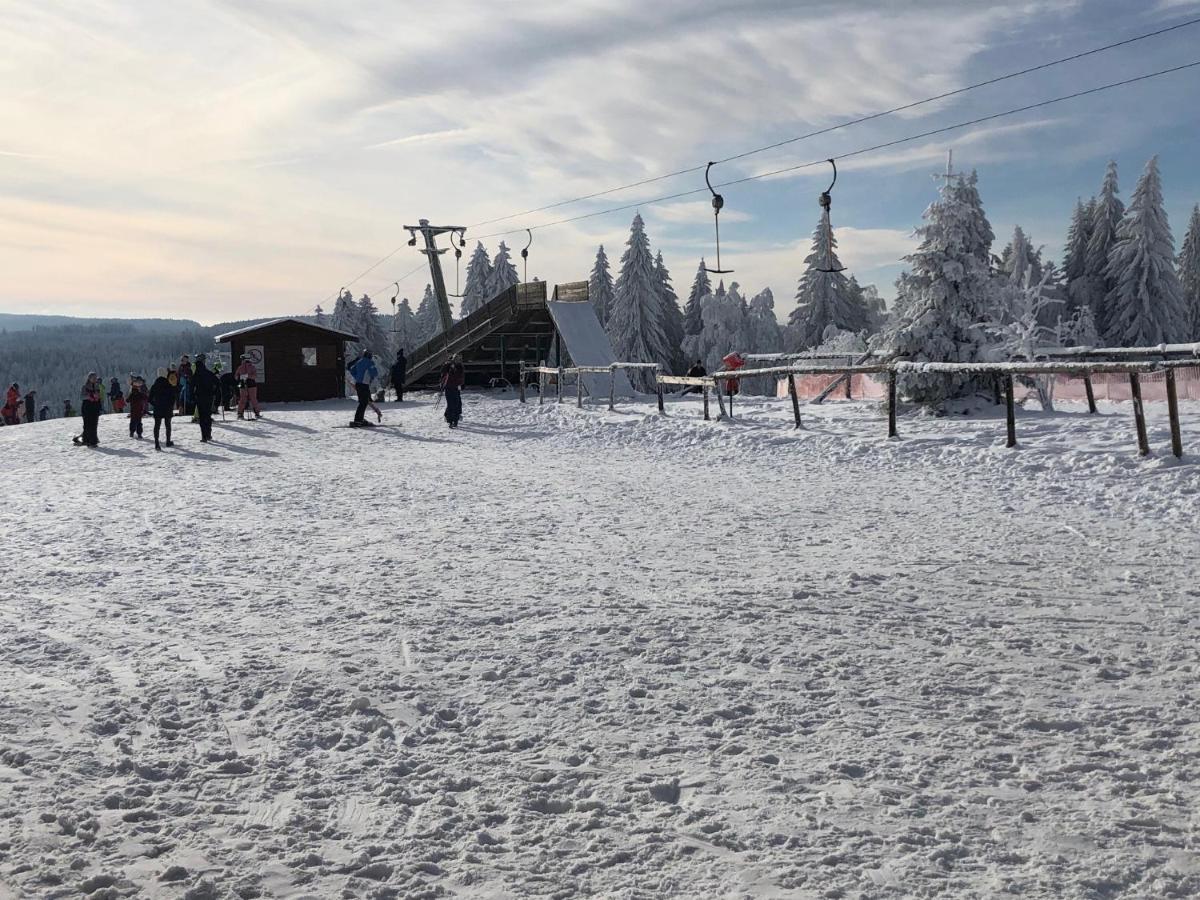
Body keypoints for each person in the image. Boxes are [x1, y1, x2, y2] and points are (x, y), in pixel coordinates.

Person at [191, 354, 220, 442]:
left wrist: (193, 397)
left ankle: (204, 436)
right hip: (209, 397)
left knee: (202, 417)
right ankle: (208, 434)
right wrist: (214, 392)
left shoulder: (195, 375)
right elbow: (217, 382)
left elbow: (191, 386)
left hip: (199, 397)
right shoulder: (209, 373)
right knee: (208, 415)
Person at [347, 350, 379, 427]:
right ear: (369, 356)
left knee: (363, 402)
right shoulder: (369, 362)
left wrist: (357, 377)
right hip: (364, 384)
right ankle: (358, 420)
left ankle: (359, 419)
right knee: (363, 403)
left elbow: (352, 370)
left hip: (358, 384)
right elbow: (374, 373)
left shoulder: (359, 361)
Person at [149, 368, 176, 451]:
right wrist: (171, 406)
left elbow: (149, 399)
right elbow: (173, 398)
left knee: (157, 425)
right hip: (167, 408)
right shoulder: (169, 385)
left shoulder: (154, 386)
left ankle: (157, 443)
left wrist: (155, 404)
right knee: (168, 425)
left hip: (158, 408)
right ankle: (168, 441)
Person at [74, 372, 103, 447]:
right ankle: (87, 440)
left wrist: (99, 404)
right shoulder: (85, 387)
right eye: (93, 378)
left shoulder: (97, 386)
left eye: (95, 378)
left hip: (95, 408)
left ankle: (92, 441)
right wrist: (89, 397)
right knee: (87, 425)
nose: (94, 379)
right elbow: (82, 397)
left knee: (94, 425)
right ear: (89, 378)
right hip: (87, 408)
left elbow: (99, 397)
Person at [440, 354, 465, 429]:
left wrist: (462, 385)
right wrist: (448, 366)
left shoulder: (460, 367)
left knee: (457, 404)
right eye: (456, 359)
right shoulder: (448, 366)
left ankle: (455, 421)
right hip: (448, 387)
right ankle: (450, 421)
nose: (458, 360)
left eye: (459, 359)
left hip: (456, 387)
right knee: (450, 404)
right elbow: (443, 374)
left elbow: (461, 377)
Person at [235, 354, 262, 419]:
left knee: (246, 399)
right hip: (246, 384)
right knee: (250, 399)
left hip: (248, 384)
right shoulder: (249, 367)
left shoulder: (243, 367)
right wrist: (240, 377)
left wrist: (246, 376)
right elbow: (236, 376)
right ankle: (256, 413)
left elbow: (254, 376)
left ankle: (240, 413)